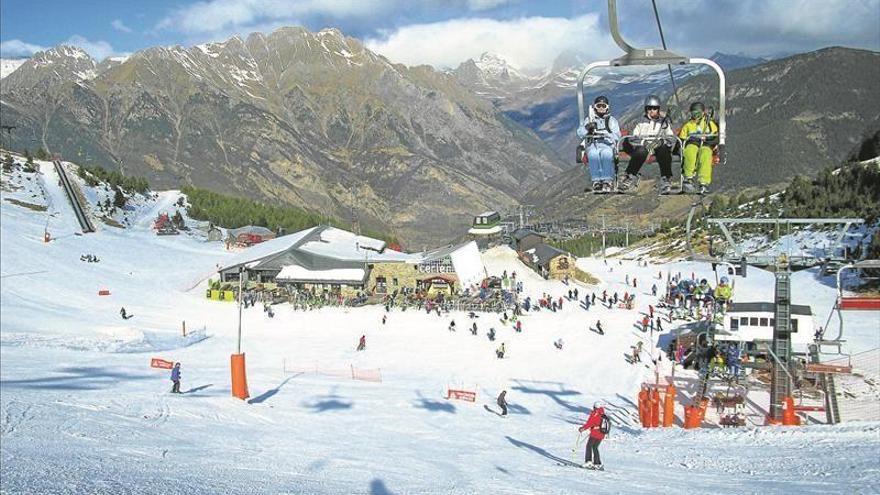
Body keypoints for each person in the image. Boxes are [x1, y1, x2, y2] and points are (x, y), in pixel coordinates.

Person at [619, 95, 677, 194]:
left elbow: (671, 138)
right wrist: (643, 142)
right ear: (646, 109)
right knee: (641, 151)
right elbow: (632, 137)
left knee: (664, 150)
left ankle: (666, 177)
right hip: (643, 146)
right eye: (649, 108)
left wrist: (662, 142)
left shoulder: (664, 122)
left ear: (658, 109)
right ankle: (630, 175)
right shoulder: (640, 122)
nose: (652, 111)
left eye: (654, 108)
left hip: (658, 146)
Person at [577, 95, 621, 192]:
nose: (601, 108)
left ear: (607, 107)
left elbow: (617, 135)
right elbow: (580, 133)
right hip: (594, 144)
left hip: (607, 144)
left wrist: (605, 134)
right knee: (593, 154)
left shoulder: (611, 120)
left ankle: (607, 181)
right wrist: (587, 128)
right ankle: (596, 181)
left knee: (606, 154)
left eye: (603, 106)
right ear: (595, 107)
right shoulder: (589, 119)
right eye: (599, 106)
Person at [679, 101, 719, 194]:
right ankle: (688, 178)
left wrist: (708, 139)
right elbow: (682, 139)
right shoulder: (688, 125)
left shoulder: (708, 123)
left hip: (705, 144)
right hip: (692, 143)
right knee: (690, 151)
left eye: (698, 113)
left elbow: (715, 136)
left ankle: (703, 182)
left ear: (703, 112)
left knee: (705, 154)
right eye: (694, 113)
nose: (696, 116)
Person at [578, 402, 608, 470]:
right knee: (595, 447)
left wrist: (583, 428)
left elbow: (590, 423)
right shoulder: (603, 414)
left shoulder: (595, 414)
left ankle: (588, 462)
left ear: (594, 407)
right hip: (602, 433)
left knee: (589, 446)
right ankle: (597, 463)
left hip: (595, 433)